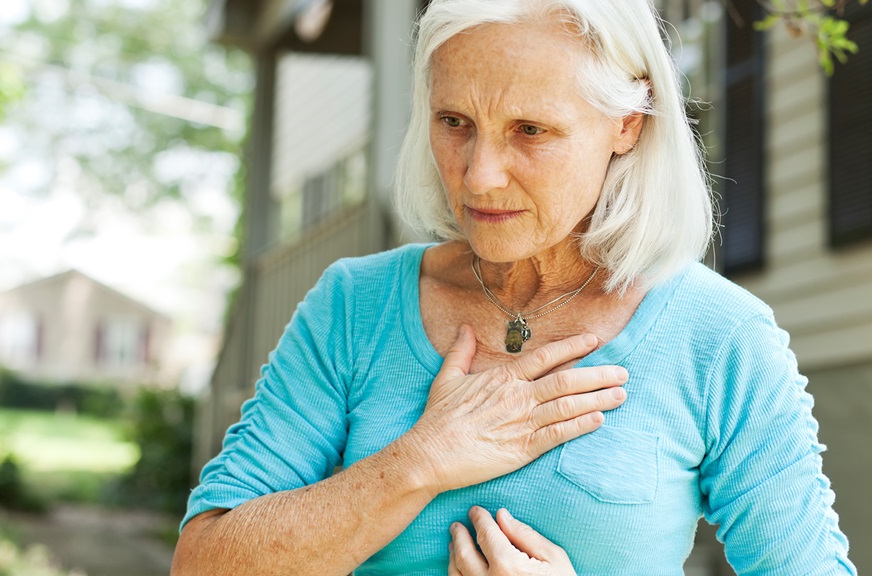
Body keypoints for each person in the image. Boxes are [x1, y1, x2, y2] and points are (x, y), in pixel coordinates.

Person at [171, 0, 856, 574]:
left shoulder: (720, 335)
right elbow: (204, 562)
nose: (479, 176)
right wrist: (420, 459)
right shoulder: (355, 305)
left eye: (530, 130)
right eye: (454, 123)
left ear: (627, 123)